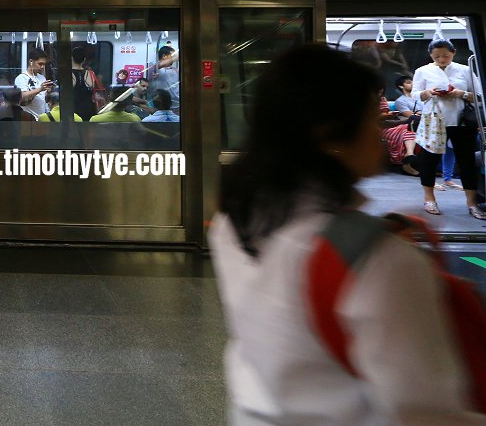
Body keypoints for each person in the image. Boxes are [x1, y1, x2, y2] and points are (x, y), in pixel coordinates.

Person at [210, 44, 485, 425]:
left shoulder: (233, 218)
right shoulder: (378, 258)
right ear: (330, 136)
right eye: (371, 121)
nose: (380, 133)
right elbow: (423, 412)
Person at [411, 39, 485, 218]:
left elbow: (479, 96)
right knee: (428, 160)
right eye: (437, 56)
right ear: (431, 55)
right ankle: (429, 199)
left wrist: (460, 94)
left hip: (462, 122)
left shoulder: (465, 70)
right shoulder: (423, 71)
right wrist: (429, 92)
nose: (442, 59)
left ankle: (471, 203)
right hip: (434, 120)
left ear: (453, 53)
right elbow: (415, 94)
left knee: (466, 162)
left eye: (445, 55)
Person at [15, 49, 54, 120]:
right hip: (27, 119)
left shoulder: (42, 78)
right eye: (40, 64)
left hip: (41, 118)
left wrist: (49, 92)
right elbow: (22, 96)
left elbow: (44, 100)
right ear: (31, 61)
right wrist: (40, 89)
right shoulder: (22, 78)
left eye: (44, 64)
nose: (42, 67)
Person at [70, 46, 99, 122]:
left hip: (72, 110)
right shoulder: (90, 74)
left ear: (71, 58)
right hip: (88, 110)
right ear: (84, 59)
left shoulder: (67, 74)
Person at [146, 45, 180, 111]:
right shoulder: (157, 68)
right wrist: (174, 58)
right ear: (164, 56)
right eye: (172, 55)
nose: (174, 57)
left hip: (177, 104)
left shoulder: (174, 69)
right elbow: (157, 66)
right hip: (162, 104)